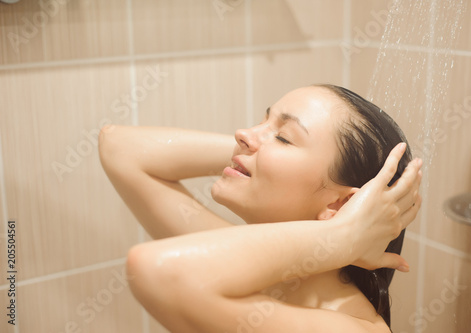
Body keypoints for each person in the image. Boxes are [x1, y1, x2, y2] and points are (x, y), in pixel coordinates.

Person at [98, 84, 422, 333]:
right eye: (262, 120)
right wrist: (249, 151)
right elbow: (119, 147)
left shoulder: (349, 328)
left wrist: (340, 237)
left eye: (283, 137)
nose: (242, 133)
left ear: (339, 204)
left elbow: (155, 270)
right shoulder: (248, 272)